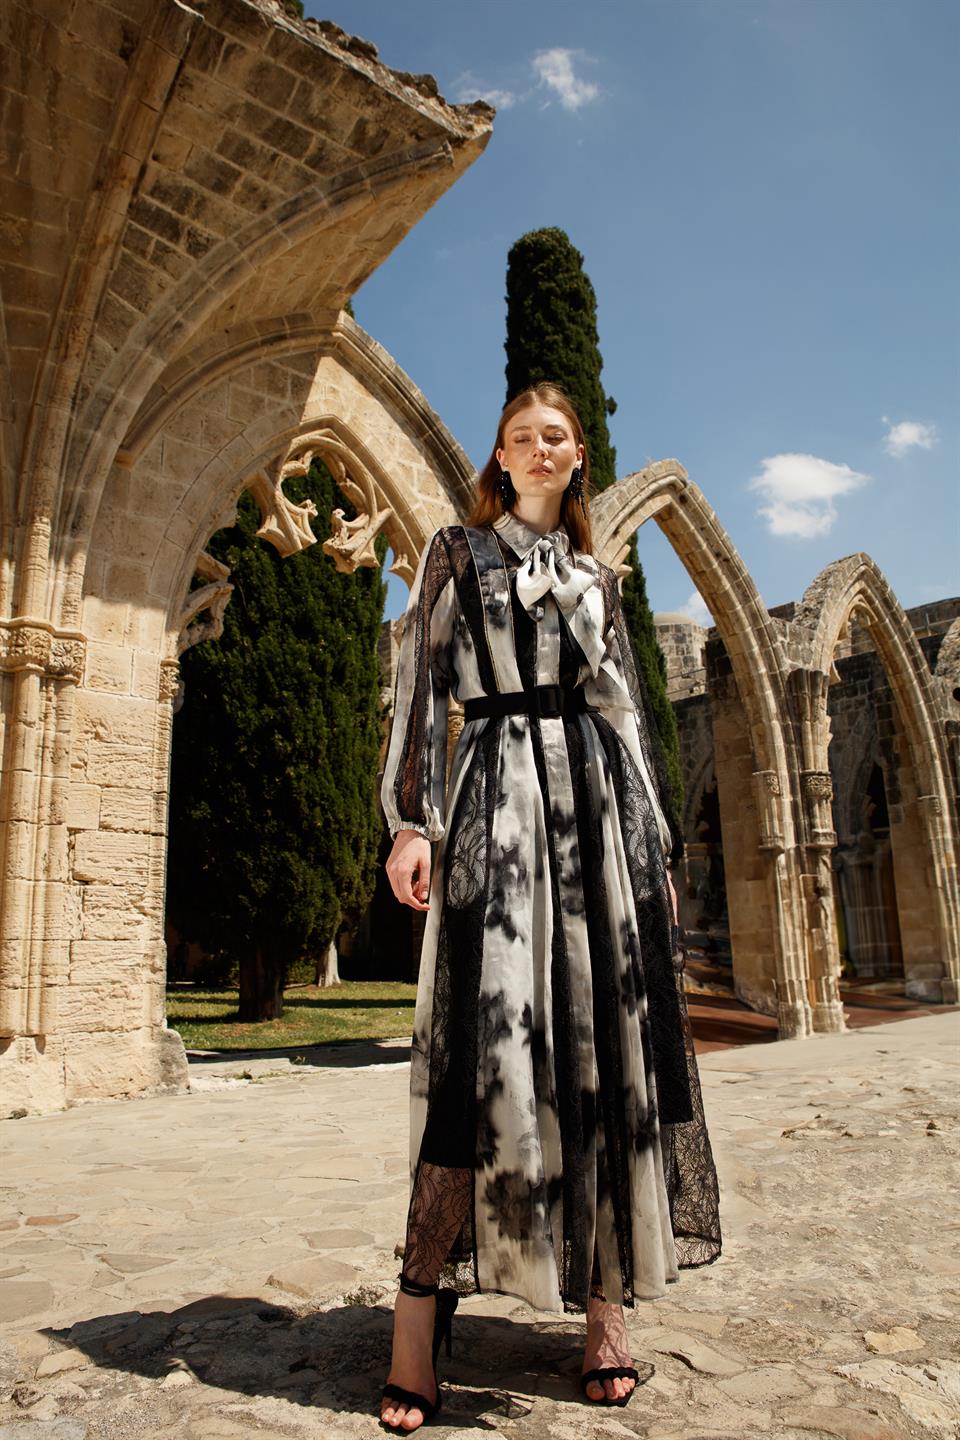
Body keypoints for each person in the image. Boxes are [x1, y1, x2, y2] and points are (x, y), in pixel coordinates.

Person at [378, 383, 721, 1432]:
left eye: (558, 435)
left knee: (609, 1059)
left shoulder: (596, 582)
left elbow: (623, 720)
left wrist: (653, 840)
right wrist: (410, 820)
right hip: (493, 806)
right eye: (524, 434)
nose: (540, 446)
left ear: (576, 459)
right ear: (501, 456)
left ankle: (608, 1313)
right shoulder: (455, 554)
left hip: (594, 823)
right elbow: (420, 690)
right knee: (475, 1064)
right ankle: (414, 1319)